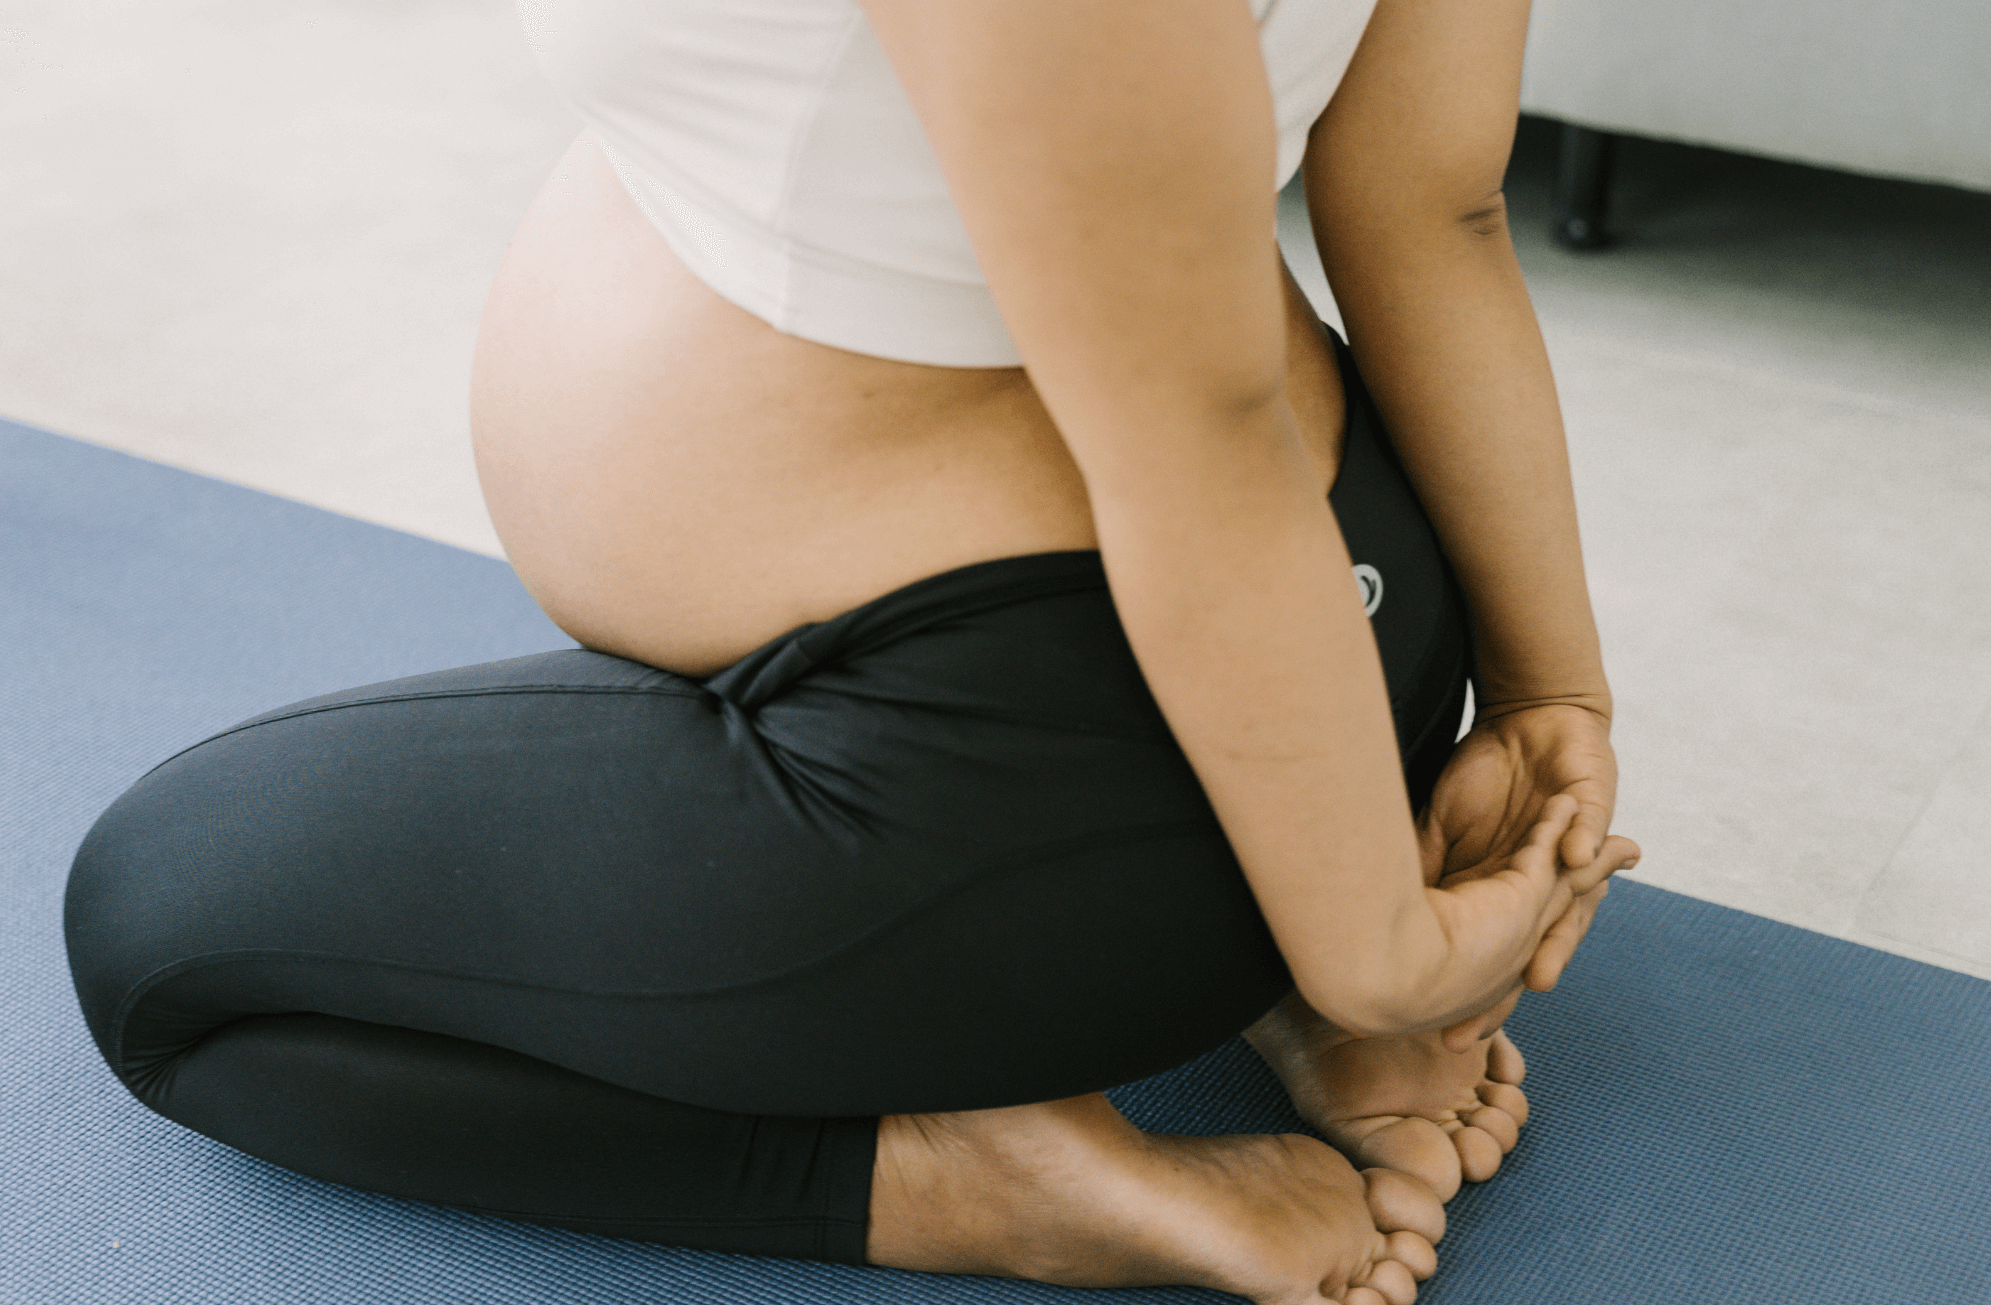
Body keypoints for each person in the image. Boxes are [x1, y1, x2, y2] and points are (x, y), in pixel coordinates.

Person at [64, 0, 1641, 1299]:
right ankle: (1261, 956)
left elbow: (1194, 432)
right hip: (1323, 639)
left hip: (1048, 783)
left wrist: (1372, 950)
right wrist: (1531, 686)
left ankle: (965, 1175)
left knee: (162, 950)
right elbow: (1431, 206)